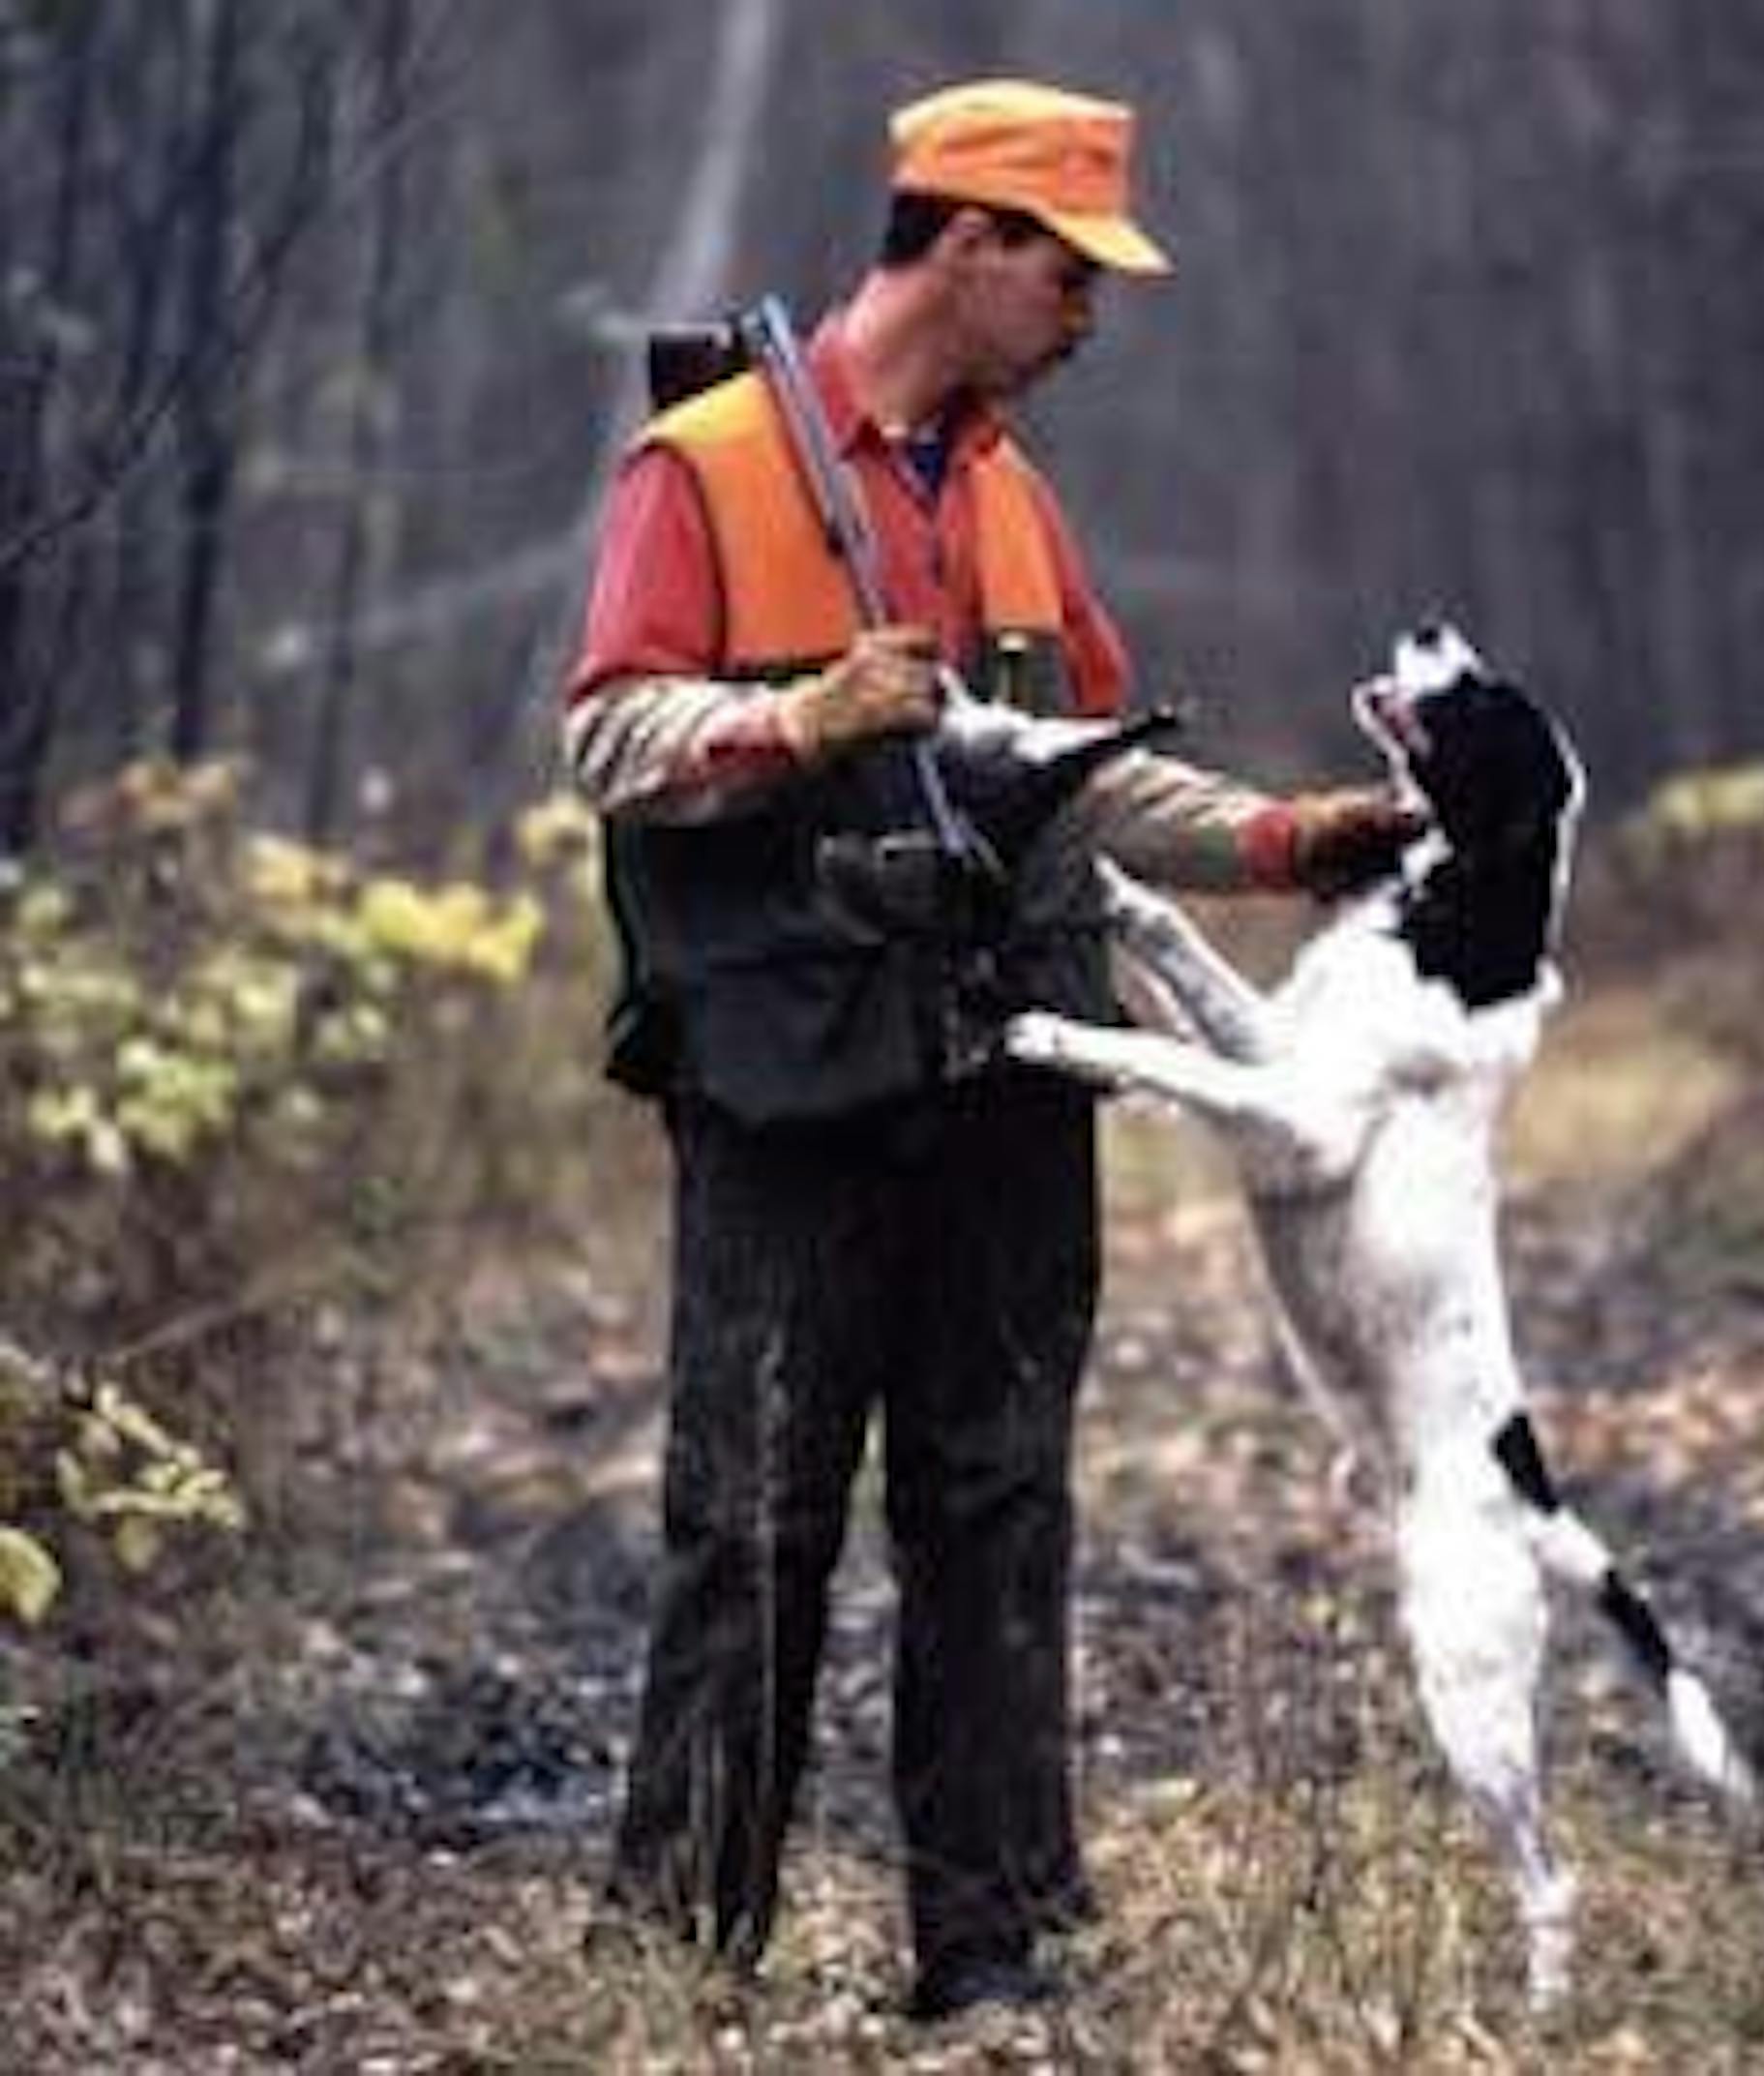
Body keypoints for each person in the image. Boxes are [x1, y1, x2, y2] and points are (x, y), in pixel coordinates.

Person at [562, 76, 1411, 2022]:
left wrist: (1287, 838)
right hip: (786, 1073)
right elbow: (605, 735)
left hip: (1012, 1065)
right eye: (1069, 271)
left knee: (1001, 1499)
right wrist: (792, 722)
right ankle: (675, 1962)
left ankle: (996, 1950)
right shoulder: (708, 466)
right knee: (750, 1519)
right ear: (966, 241)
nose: (1090, 313)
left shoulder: (1016, 498)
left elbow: (1080, 779)